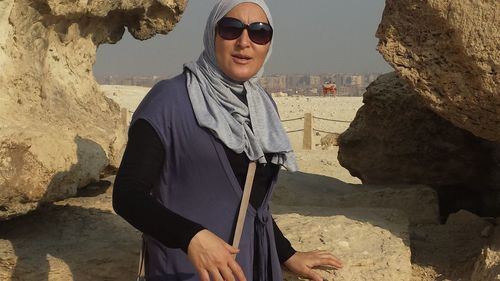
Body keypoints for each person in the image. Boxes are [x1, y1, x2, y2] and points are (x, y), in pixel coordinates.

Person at [112, 0, 343, 280]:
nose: (244, 42)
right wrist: (191, 237)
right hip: (188, 270)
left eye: (259, 32)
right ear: (212, 34)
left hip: (255, 267)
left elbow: (254, 206)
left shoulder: (261, 106)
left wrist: (286, 254)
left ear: (268, 43)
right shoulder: (169, 101)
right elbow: (128, 195)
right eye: (231, 29)